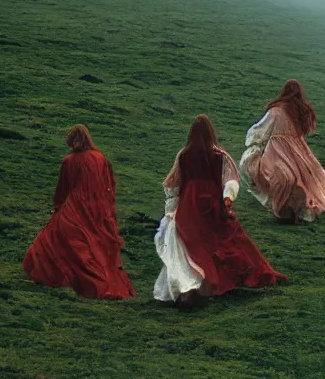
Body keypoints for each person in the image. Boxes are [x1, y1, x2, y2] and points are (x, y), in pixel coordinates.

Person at [153, 115, 286, 307]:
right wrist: (228, 198)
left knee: (194, 244)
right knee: (225, 239)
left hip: (190, 205)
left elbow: (174, 185)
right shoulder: (220, 155)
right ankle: (224, 278)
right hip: (212, 204)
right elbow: (231, 180)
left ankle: (195, 284)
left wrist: (171, 210)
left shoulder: (183, 155)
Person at [23, 124, 135, 300]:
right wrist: (107, 208)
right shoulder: (100, 158)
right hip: (98, 207)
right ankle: (101, 278)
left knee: (58, 238)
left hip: (76, 205)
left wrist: (58, 207)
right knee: (95, 242)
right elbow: (109, 185)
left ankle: (70, 278)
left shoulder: (70, 161)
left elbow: (63, 188)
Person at [240, 79, 325, 224]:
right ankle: (295, 209)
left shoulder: (276, 111)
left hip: (277, 150)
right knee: (304, 176)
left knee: (276, 175)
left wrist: (254, 143)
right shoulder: (300, 113)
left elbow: (261, 130)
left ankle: (284, 209)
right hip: (298, 149)